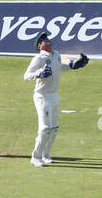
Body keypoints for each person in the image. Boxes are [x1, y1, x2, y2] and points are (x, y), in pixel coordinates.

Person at [22, 33, 88, 167]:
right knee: (45, 128)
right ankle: (35, 157)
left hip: (54, 95)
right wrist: (39, 74)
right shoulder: (39, 58)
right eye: (43, 40)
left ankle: (46, 155)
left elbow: (60, 67)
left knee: (54, 128)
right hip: (42, 96)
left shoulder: (56, 54)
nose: (47, 40)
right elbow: (26, 75)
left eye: (47, 38)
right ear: (40, 46)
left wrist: (72, 65)